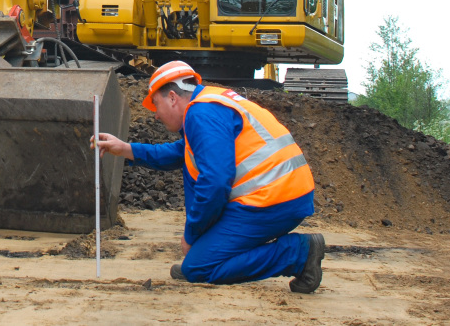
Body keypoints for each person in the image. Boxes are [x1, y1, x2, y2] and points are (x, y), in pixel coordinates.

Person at [93, 61, 325, 293]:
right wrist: (124, 148)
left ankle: (299, 254)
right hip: (284, 193)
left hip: (272, 199)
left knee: (199, 268)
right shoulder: (210, 103)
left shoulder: (200, 113)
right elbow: (180, 153)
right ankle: (206, 256)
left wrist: (192, 235)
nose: (155, 116)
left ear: (172, 97)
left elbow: (214, 182)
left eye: (156, 104)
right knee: (200, 258)